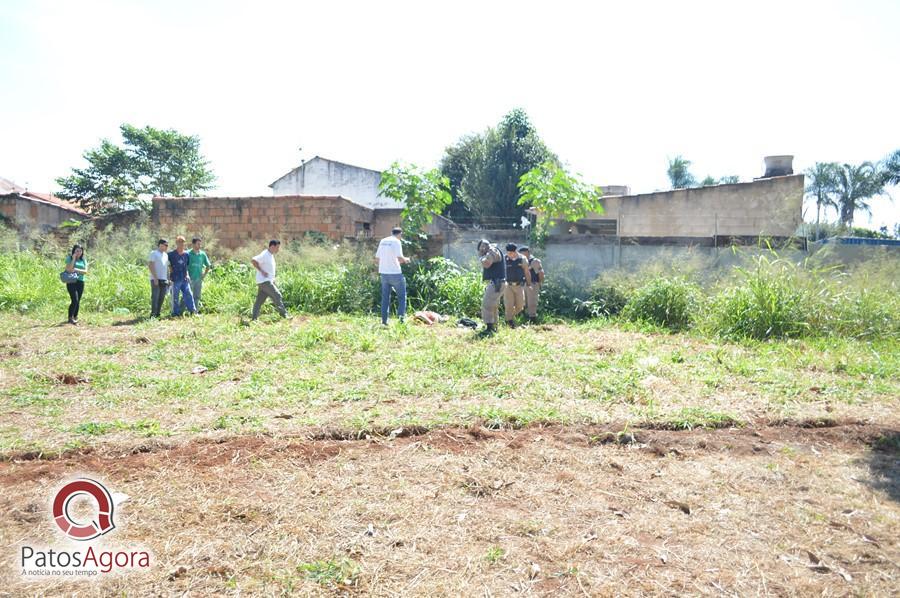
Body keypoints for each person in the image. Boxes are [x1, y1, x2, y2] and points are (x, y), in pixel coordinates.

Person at [375, 227, 410, 325]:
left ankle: (384, 322)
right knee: (402, 297)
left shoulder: (383, 241)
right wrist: (406, 260)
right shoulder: (396, 242)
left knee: (385, 298)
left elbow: (377, 259)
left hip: (384, 274)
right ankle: (400, 321)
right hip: (395, 274)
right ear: (400, 234)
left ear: (391, 233)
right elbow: (399, 258)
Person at [251, 239, 288, 320]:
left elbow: (270, 269)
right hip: (265, 281)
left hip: (265, 281)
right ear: (272, 246)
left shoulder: (270, 255)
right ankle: (284, 315)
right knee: (277, 295)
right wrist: (262, 271)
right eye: (277, 247)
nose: (278, 249)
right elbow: (253, 260)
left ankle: (254, 319)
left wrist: (273, 280)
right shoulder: (265, 254)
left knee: (259, 301)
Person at [477, 239, 506, 334]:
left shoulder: (492, 251)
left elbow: (487, 264)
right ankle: (494, 327)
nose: (481, 249)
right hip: (497, 282)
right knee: (493, 306)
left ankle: (489, 328)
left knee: (487, 305)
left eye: (482, 246)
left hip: (496, 282)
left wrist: (481, 258)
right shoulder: (492, 251)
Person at [168, 236, 197, 316]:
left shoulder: (186, 254)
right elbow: (168, 266)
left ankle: (193, 311)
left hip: (184, 279)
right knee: (175, 297)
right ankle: (175, 313)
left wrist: (187, 275)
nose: (181, 244)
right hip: (175, 279)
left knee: (189, 294)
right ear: (176, 243)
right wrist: (170, 278)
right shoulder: (171, 254)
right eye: (179, 242)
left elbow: (186, 267)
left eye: (183, 242)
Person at [502, 243, 528, 327]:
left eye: (511, 253)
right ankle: (509, 321)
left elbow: (526, 272)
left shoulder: (522, 259)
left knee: (520, 306)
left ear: (515, 251)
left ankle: (509, 317)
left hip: (519, 285)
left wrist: (529, 283)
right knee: (509, 305)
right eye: (508, 253)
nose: (509, 255)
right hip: (508, 285)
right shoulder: (504, 259)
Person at [519, 246, 544, 323]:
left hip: (532, 284)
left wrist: (539, 283)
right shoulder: (522, 262)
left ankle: (533, 319)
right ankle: (525, 318)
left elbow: (541, 273)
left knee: (532, 302)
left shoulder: (535, 261)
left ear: (528, 253)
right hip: (523, 284)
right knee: (523, 302)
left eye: (523, 253)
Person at [64, 244, 88, 325]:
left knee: (78, 301)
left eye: (80, 251)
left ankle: (75, 317)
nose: (79, 252)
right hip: (71, 281)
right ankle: (70, 318)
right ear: (74, 251)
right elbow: (69, 269)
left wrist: (76, 269)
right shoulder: (69, 258)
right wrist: (73, 258)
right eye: (77, 251)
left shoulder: (83, 260)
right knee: (75, 299)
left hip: (80, 281)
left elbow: (85, 271)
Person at [188, 237, 212, 310]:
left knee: (197, 296)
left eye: (200, 244)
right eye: (198, 244)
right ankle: (182, 311)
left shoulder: (202, 254)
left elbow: (208, 265)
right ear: (193, 244)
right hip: (189, 278)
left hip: (198, 278)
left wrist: (204, 275)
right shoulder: (188, 253)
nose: (199, 246)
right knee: (187, 295)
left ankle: (195, 311)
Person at [148, 239, 170, 318]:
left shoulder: (166, 255)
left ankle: (158, 313)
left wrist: (168, 279)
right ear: (160, 245)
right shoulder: (154, 253)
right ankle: (153, 314)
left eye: (167, 245)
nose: (167, 247)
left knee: (161, 297)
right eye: (165, 245)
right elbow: (150, 265)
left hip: (164, 279)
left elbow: (166, 268)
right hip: (155, 279)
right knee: (155, 297)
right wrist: (155, 278)